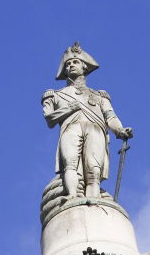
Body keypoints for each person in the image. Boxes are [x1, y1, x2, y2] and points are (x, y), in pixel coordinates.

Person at [41, 43, 133, 200]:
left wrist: (120, 130)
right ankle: (71, 195)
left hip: (95, 129)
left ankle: (95, 201)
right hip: (70, 128)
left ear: (84, 66)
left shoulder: (99, 95)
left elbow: (110, 116)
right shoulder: (55, 95)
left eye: (75, 62)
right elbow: (50, 119)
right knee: (70, 163)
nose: (70, 65)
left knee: (93, 169)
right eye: (68, 64)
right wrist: (69, 109)